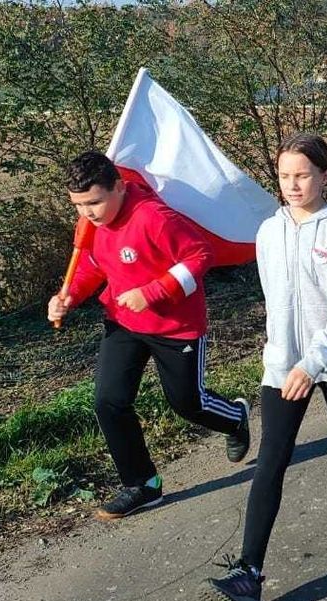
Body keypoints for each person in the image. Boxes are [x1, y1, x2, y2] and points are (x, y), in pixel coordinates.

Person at [199, 133, 327, 601]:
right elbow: (276, 305)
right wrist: (285, 358)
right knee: (271, 460)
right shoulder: (268, 232)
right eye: (284, 175)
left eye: (303, 174)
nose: (293, 184)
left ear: (325, 176)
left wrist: (315, 362)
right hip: (284, 364)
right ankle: (249, 573)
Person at [48, 151, 251, 520]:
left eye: (94, 202)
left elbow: (199, 256)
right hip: (122, 322)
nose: (88, 213)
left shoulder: (154, 217)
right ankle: (143, 485)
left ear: (120, 188)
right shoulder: (92, 224)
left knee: (187, 403)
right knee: (108, 402)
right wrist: (69, 297)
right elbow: (93, 265)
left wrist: (153, 291)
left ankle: (235, 418)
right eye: (78, 205)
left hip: (175, 327)